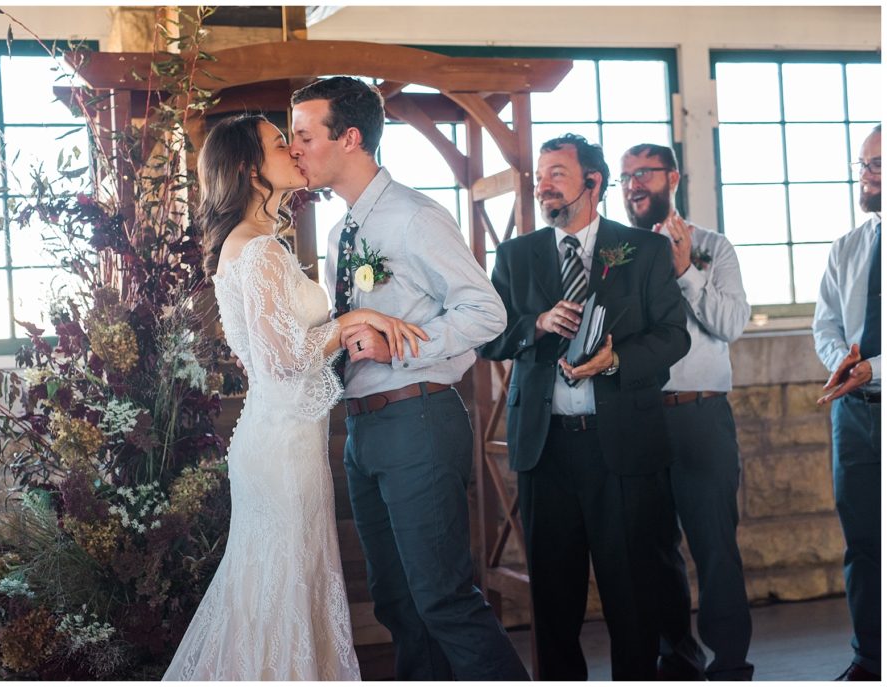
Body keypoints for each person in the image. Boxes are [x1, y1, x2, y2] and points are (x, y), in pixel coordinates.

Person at [163, 114, 428, 681]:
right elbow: (284, 359)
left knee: (278, 588)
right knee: (282, 589)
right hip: (282, 449)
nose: (294, 150)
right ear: (247, 167)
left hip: (282, 437)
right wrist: (352, 319)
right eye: (279, 143)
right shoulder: (258, 250)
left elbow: (273, 352)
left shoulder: (255, 244)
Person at [288, 76, 529, 681]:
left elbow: (487, 312)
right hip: (363, 431)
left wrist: (397, 347)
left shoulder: (415, 217)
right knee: (396, 604)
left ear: (349, 138)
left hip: (417, 418)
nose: (295, 148)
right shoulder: (343, 231)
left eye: (305, 135)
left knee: (443, 600)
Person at [479, 133, 690, 680]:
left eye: (556, 174)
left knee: (633, 599)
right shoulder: (516, 255)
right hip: (545, 450)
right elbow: (488, 337)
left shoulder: (643, 250)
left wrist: (615, 360)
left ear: (592, 183)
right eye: (540, 177)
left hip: (621, 446)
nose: (542, 186)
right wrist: (535, 324)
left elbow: (674, 336)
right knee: (553, 603)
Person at [621, 143, 754, 680]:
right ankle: (676, 658)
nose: (633, 185)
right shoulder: (617, 253)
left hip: (700, 417)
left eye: (644, 174)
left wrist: (685, 272)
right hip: (639, 417)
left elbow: (732, 324)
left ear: (672, 178)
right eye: (625, 177)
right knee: (653, 548)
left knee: (715, 545)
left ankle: (730, 664)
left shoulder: (714, 248)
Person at [813, 123, 881, 682]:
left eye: (877, 164)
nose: (866, 175)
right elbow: (826, 324)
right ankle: (869, 659)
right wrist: (843, 363)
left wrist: (873, 368)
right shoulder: (847, 247)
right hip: (853, 413)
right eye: (863, 164)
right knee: (862, 541)